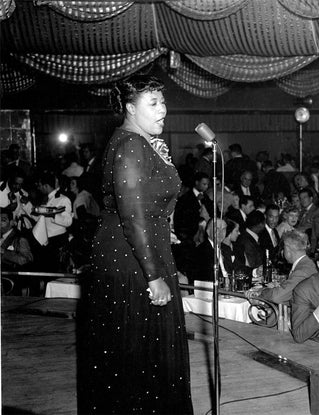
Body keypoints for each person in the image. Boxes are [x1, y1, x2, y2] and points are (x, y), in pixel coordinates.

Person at [77, 75, 193, 414]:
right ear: (130, 108)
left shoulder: (139, 141)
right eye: (152, 104)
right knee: (138, 349)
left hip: (142, 246)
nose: (163, 110)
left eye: (162, 101)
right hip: (131, 258)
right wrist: (153, 275)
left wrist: (161, 229)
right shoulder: (130, 144)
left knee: (143, 349)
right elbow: (131, 213)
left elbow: (145, 204)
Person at [247, 229, 317, 305]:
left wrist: (261, 292)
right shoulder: (307, 264)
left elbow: (277, 296)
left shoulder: (302, 271)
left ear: (288, 250)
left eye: (283, 249)